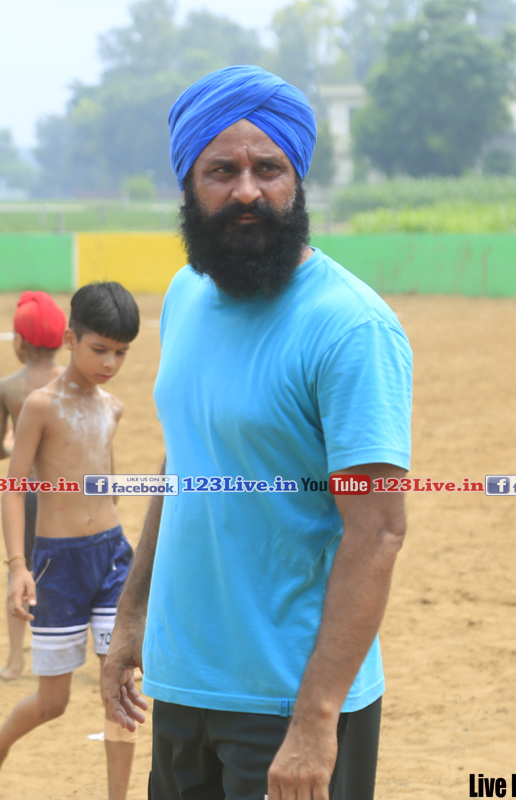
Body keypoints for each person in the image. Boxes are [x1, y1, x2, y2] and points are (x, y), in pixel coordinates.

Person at [101, 65, 414, 800]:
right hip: (183, 684)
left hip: (289, 702)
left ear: (296, 179)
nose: (247, 190)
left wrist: (315, 723)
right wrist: (132, 617)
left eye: (268, 168)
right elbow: (185, 461)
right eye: (222, 170)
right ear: (188, 183)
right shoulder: (185, 296)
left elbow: (377, 534)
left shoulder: (351, 328)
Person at [0, 282, 141, 800]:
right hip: (57, 565)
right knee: (52, 703)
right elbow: (14, 488)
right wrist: (17, 566)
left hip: (113, 558)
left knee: (120, 691)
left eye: (121, 353)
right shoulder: (40, 406)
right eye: (100, 349)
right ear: (70, 339)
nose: (110, 363)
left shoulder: (113, 407)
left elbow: (106, 482)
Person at [0, 291, 67, 680]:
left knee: (20, 569)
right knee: (79, 566)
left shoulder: (7, 388)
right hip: (67, 490)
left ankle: (15, 661)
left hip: (28, 494)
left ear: (19, 341)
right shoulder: (73, 380)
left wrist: (14, 446)